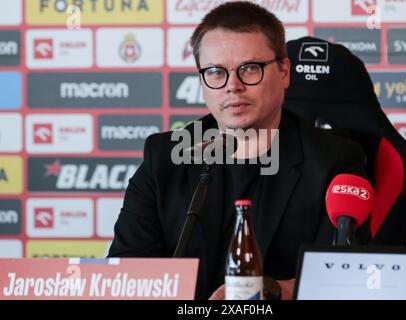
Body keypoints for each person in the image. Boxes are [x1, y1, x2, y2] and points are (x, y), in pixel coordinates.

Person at [108, 1, 370, 300]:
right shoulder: (164, 156)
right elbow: (127, 270)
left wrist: (271, 290)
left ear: (284, 72)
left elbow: (346, 278)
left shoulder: (333, 161)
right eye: (216, 72)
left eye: (249, 69)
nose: (233, 85)